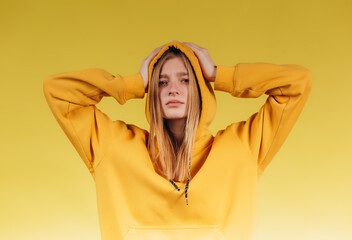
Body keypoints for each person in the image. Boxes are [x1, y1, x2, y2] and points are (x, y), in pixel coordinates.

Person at [43, 40, 312, 240]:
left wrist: (219, 74)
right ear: (152, 92)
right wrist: (132, 84)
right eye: (161, 82)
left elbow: (297, 84)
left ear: (200, 89)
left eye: (185, 80)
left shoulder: (241, 148)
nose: (173, 89)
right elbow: (57, 91)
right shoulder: (114, 147)